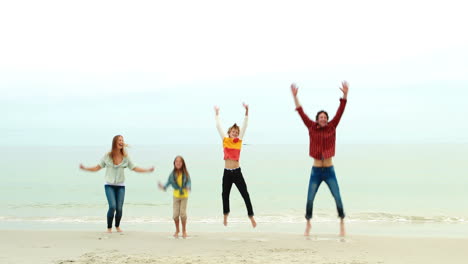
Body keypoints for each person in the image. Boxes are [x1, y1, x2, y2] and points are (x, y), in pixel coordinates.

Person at [291, 81, 349, 237]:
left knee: (337, 197)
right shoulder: (311, 127)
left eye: (325, 117)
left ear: (327, 119)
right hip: (316, 171)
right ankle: (308, 224)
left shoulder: (332, 126)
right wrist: (295, 97)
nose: (323, 119)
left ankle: (342, 223)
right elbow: (301, 112)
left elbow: (341, 110)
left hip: (329, 170)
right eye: (320, 117)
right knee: (310, 199)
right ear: (317, 119)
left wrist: (345, 94)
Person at [79, 135, 154, 233]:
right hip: (109, 185)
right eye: (119, 140)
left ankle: (117, 226)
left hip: (120, 186)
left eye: (122, 140)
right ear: (115, 142)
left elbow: (135, 168)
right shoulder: (107, 156)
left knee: (119, 208)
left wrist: (147, 170)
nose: (121, 142)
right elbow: (97, 168)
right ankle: (109, 228)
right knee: (112, 206)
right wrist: (85, 168)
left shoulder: (126, 158)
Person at [214, 103, 256, 228]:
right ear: (229, 132)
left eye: (237, 132)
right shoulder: (225, 140)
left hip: (237, 172)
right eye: (233, 132)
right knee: (225, 194)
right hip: (227, 172)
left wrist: (247, 111)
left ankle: (251, 217)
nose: (235, 133)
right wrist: (217, 114)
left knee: (245, 194)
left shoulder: (239, 141)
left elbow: (245, 126)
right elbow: (218, 126)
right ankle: (225, 216)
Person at [158, 156, 192, 238]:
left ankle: (184, 231)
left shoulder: (186, 173)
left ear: (183, 163)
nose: (178, 163)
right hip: (176, 196)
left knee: (183, 214)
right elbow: (168, 183)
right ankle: (177, 230)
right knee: (175, 215)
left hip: (184, 195)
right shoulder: (172, 174)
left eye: (180, 161)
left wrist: (188, 187)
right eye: (176, 161)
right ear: (174, 163)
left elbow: (189, 182)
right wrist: (163, 187)